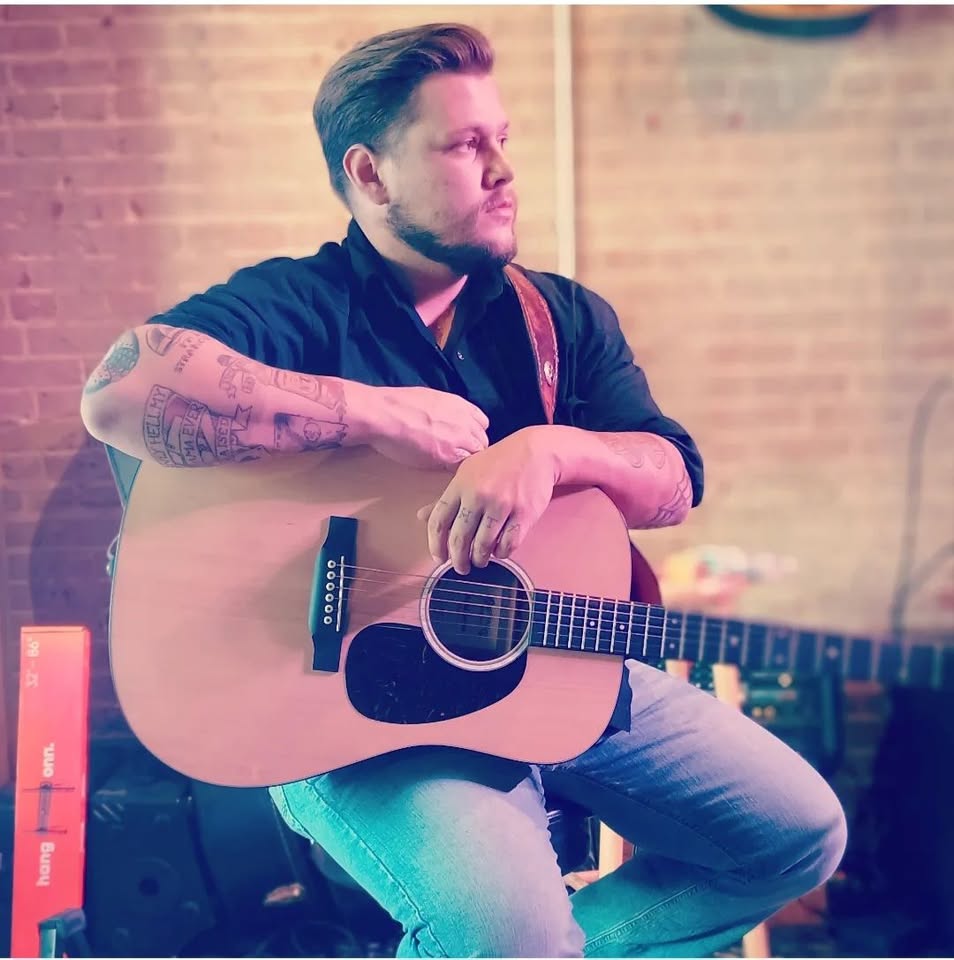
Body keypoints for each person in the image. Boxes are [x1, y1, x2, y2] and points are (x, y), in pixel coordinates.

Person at [81, 23, 847, 958]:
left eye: (502, 141)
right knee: (509, 933)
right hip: (341, 712)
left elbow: (674, 479)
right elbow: (121, 395)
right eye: (463, 145)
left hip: (556, 669)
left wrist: (552, 450)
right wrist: (370, 413)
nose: (501, 170)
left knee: (797, 836)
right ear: (370, 174)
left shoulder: (561, 318)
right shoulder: (300, 305)